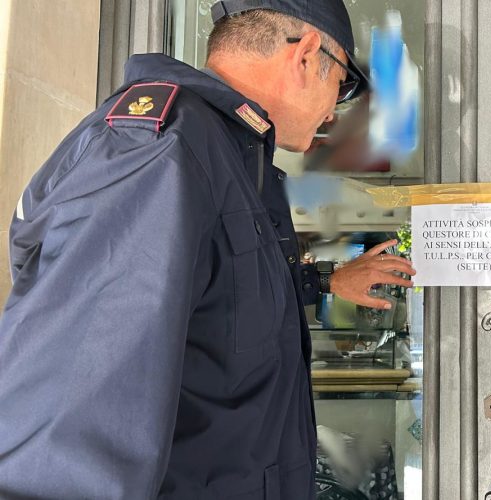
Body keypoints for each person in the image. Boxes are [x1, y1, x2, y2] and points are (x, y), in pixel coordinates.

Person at [0, 1, 415, 498]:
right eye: (343, 85)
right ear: (307, 54)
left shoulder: (228, 152)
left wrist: (325, 281)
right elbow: (62, 439)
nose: (334, 109)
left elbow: (220, 297)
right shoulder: (161, 153)